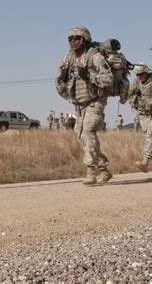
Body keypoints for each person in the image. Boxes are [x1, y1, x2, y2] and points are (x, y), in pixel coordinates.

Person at [56, 26, 114, 185]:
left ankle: (90, 170)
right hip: (79, 105)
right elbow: (63, 91)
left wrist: (89, 76)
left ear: (84, 39)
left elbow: (109, 80)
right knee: (82, 136)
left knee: (88, 130)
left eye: (76, 38)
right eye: (70, 38)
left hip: (96, 101)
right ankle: (104, 170)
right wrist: (60, 78)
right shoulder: (68, 59)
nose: (72, 41)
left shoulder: (95, 57)